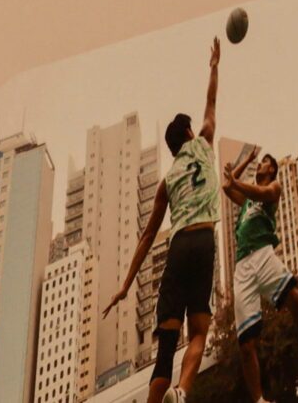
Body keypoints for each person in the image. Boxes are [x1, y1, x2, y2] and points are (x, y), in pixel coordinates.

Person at [107, 39, 226, 403]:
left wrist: (126, 285)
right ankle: (182, 391)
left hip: (177, 247)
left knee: (165, 350)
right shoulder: (205, 141)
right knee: (200, 333)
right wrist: (214, 66)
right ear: (190, 133)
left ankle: (161, 396)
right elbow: (211, 103)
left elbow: (146, 237)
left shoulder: (167, 180)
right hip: (204, 241)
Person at [221, 151, 298, 399]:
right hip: (242, 267)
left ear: (271, 170)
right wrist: (245, 162)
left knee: (293, 295)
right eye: (259, 162)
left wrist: (236, 181)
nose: (260, 165)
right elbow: (227, 187)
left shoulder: (274, 188)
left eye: (263, 163)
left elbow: (257, 192)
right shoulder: (246, 201)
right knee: (245, 345)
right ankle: (259, 399)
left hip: (263, 254)